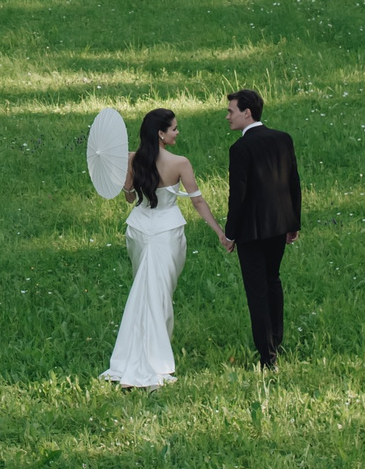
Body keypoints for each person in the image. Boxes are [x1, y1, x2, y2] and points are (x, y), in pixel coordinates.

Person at [102, 108, 228, 389]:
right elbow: (197, 201)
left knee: (145, 290)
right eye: (174, 128)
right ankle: (155, 360)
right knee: (158, 294)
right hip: (167, 231)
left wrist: (125, 182)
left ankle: (139, 354)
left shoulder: (132, 159)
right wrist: (220, 232)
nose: (177, 132)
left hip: (138, 228)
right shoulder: (180, 163)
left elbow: (130, 198)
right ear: (161, 133)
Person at [223, 89, 300, 368]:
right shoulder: (283, 139)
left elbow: (238, 196)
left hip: (251, 232)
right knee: (273, 280)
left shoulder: (240, 149)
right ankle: (276, 340)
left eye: (231, 111)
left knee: (257, 291)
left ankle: (268, 356)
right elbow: (293, 182)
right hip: (279, 225)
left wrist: (230, 234)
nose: (227, 116)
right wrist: (294, 222)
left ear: (247, 113)